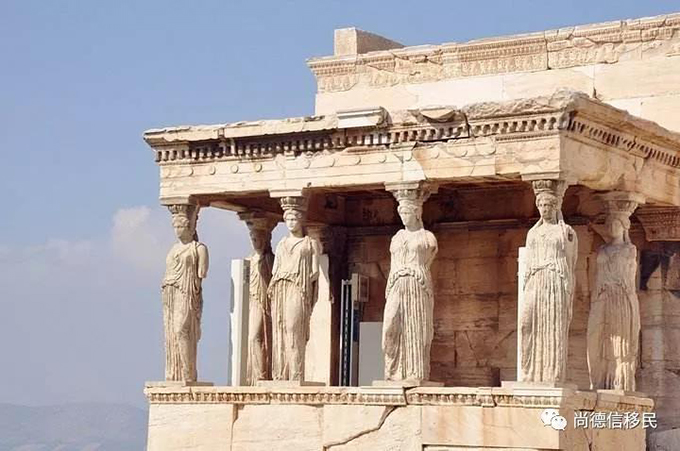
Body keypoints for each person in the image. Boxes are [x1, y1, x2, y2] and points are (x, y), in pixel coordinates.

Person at [520, 183, 578, 383]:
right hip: (535, 280)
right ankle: (530, 371)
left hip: (554, 280)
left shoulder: (565, 232)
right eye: (541, 206)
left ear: (555, 207)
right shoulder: (533, 233)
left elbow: (571, 260)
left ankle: (552, 372)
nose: (544, 209)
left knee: (553, 326)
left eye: (548, 206)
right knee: (527, 323)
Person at [383, 193, 438, 381]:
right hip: (397, 283)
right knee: (390, 325)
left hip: (417, 283)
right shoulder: (396, 238)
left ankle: (415, 372)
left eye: (407, 213)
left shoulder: (428, 238)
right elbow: (393, 263)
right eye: (401, 213)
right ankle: (393, 371)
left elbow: (428, 261)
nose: (403, 217)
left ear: (416, 213)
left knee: (416, 328)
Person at [268, 200, 320, 381]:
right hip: (280, 288)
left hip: (298, 288)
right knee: (280, 330)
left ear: (301, 220)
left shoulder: (310, 243)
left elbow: (314, 272)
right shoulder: (281, 244)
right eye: (288, 219)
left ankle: (296, 375)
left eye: (294, 219)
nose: (290, 223)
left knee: (293, 328)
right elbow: (275, 270)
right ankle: (281, 375)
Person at [587, 215, 640, 391]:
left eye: (616, 224)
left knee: (620, 341)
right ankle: (603, 379)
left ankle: (620, 381)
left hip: (621, 297)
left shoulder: (629, 250)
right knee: (603, 339)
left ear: (624, 227)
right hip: (604, 296)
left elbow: (628, 276)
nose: (612, 228)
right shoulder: (603, 250)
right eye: (609, 225)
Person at [161, 205, 209, 382]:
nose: (177, 230)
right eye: (175, 226)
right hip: (170, 292)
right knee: (172, 332)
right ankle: (176, 373)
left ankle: (189, 373)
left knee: (182, 329)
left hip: (187, 291)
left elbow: (202, 272)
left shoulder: (199, 248)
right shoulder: (173, 249)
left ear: (190, 227)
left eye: (180, 226)